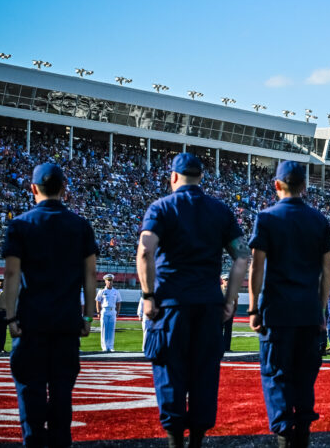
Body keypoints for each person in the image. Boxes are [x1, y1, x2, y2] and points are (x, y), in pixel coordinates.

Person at [137, 152, 249, 448]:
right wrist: (230, 298)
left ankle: (175, 440)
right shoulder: (220, 210)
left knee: (170, 375)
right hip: (208, 305)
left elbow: (145, 251)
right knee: (204, 376)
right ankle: (197, 441)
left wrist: (148, 295)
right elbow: (242, 255)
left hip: (171, 306)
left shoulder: (161, 207)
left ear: (174, 176)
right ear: (200, 177)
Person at [1, 162, 98, 447]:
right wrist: (88, 317)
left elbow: (11, 274)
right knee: (61, 393)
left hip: (31, 321)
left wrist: (10, 317)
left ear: (33, 188)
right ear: (64, 189)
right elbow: (90, 274)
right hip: (66, 322)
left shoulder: (20, 225)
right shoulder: (80, 226)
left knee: (30, 391)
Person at [248, 161, 330, 448]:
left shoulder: (266, 218)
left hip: (277, 312)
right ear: (304, 187)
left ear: (277, 185)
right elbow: (328, 271)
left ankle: (285, 436)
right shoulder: (319, 220)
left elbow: (257, 266)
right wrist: (320, 310)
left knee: (277, 376)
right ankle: (303, 433)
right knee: (305, 377)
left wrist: (253, 308)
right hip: (308, 311)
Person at [96, 274, 121, 352]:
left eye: (111, 281)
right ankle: (104, 347)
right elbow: (98, 301)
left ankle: (110, 346)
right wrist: (98, 312)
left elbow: (118, 302)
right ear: (105, 281)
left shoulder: (116, 291)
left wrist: (118, 312)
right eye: (108, 280)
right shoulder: (102, 291)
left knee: (111, 329)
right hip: (104, 310)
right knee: (104, 329)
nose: (110, 282)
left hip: (113, 311)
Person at [221, 273, 237, 353]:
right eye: (226, 280)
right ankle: (218, 347)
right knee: (218, 330)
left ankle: (227, 348)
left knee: (228, 331)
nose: (227, 281)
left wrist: (233, 311)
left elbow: (236, 301)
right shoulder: (218, 288)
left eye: (228, 280)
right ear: (222, 280)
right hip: (220, 313)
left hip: (229, 313)